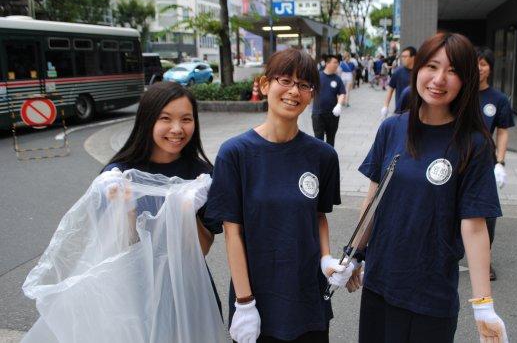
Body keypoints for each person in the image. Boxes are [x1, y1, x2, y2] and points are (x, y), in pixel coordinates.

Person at [347, 33, 508, 343]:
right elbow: (373, 200)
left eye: (453, 71)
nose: (439, 79)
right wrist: (353, 254)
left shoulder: (473, 143)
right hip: (380, 282)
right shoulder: (392, 128)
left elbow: (474, 227)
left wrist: (484, 305)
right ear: (417, 68)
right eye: (432, 66)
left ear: (466, 80)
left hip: (430, 293)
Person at [204, 48, 354, 343]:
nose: (293, 91)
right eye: (285, 80)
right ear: (264, 85)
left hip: (308, 295)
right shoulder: (234, 153)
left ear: (312, 95)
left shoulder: (323, 156)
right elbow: (232, 233)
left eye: (304, 85)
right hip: (258, 298)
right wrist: (244, 302)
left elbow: (318, 215)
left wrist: (325, 258)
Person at [102, 81, 222, 311]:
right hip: (137, 295)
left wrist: (186, 212)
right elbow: (117, 248)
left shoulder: (203, 177)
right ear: (147, 121)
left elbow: (203, 249)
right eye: (165, 118)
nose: (177, 129)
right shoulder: (119, 175)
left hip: (189, 291)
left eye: (186, 119)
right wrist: (126, 210)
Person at [477, 46, 515, 281]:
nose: (478, 68)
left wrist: (500, 162)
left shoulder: (498, 99)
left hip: (484, 161)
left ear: (489, 68)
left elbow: (502, 131)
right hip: (455, 157)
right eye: (474, 63)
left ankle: (485, 260)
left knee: (487, 212)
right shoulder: (458, 92)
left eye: (483, 64)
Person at [312, 54, 347, 147]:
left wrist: (339, 105)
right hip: (318, 113)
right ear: (327, 63)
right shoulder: (317, 76)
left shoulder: (337, 79)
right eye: (334, 62)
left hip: (332, 114)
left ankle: (329, 159)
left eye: (338, 63)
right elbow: (309, 89)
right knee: (318, 139)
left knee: (331, 139)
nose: (337, 65)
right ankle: (319, 159)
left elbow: (342, 93)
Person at [381, 46, 416, 119]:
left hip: (417, 110)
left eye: (405, 56)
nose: (402, 59)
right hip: (400, 111)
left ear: (413, 57)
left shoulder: (420, 72)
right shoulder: (398, 72)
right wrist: (385, 106)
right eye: (402, 56)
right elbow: (390, 89)